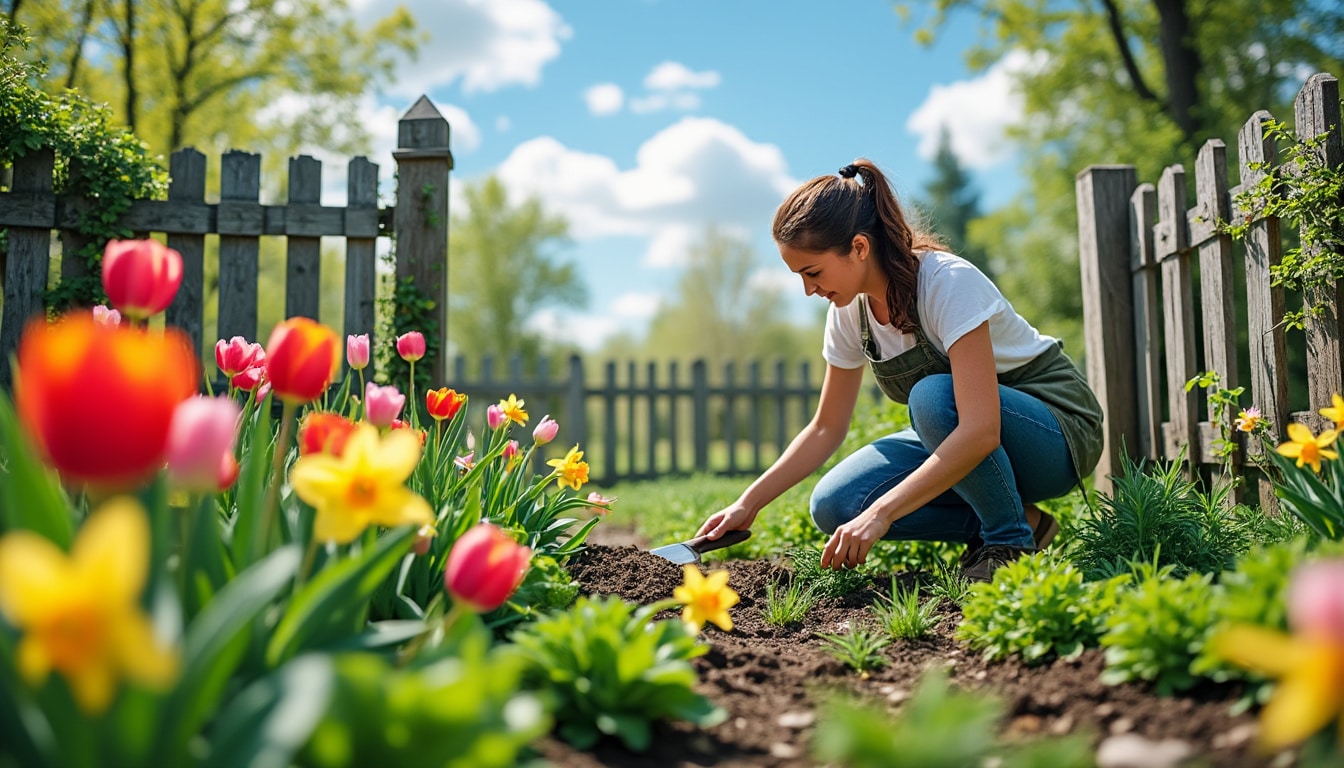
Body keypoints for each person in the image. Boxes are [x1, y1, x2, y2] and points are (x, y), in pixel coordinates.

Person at [694, 159, 1103, 582]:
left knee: (931, 397)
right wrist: (749, 502)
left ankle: (1009, 542)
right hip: (975, 438)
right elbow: (825, 428)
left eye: (813, 272)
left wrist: (882, 513)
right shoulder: (850, 311)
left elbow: (982, 429)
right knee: (837, 505)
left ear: (858, 247)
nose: (808, 290)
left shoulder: (947, 284)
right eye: (799, 276)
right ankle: (1028, 523)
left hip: (1058, 433)